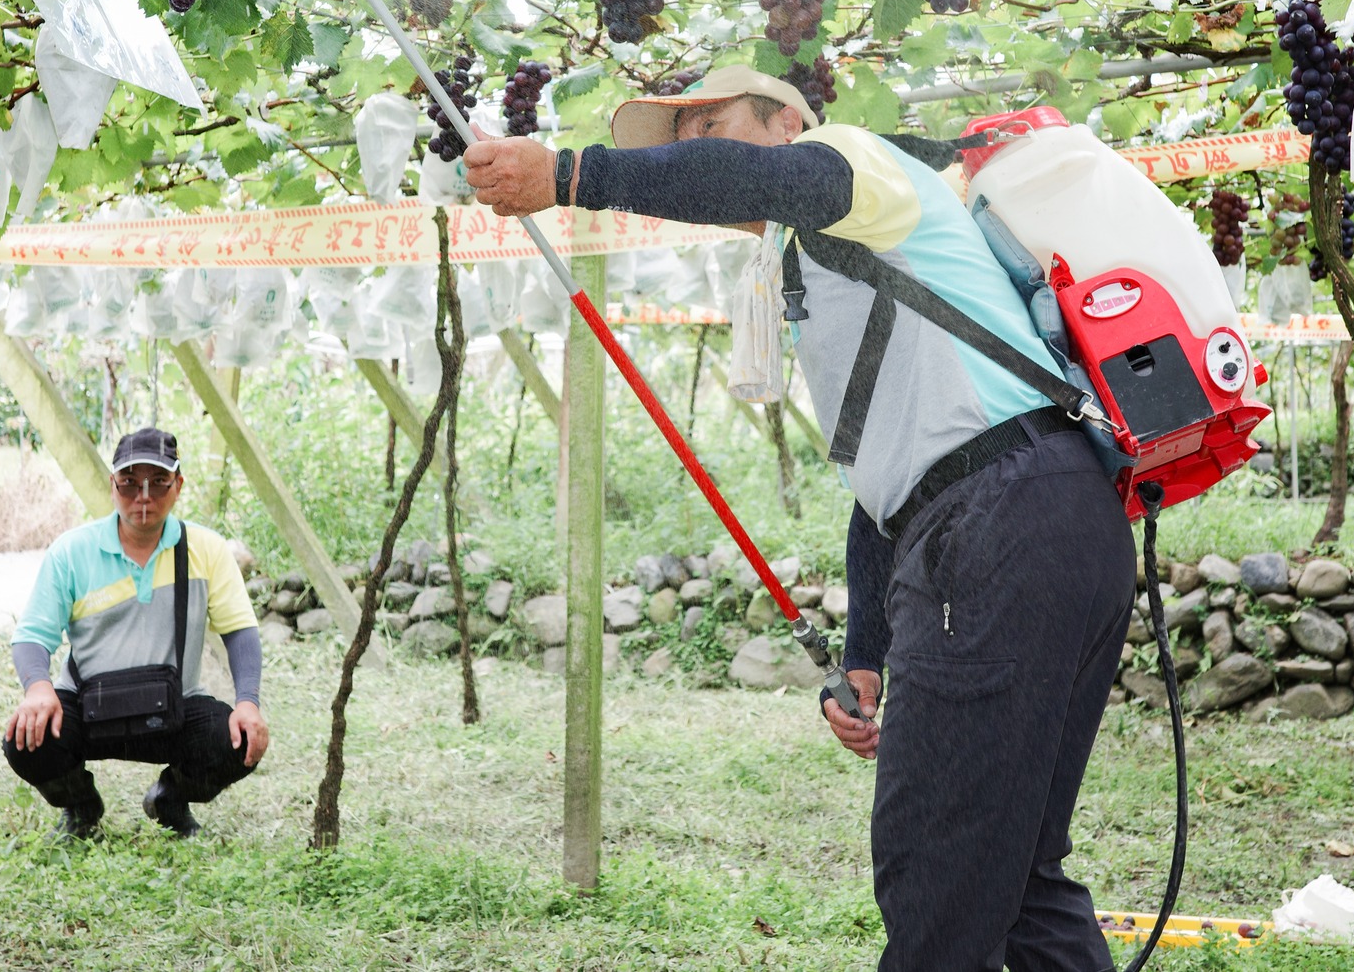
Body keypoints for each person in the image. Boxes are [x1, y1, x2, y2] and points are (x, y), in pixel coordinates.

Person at [464, 66, 1135, 971]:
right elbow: (895, 478)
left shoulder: (848, 160)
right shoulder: (824, 263)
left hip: (1004, 514)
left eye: (713, 125)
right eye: (684, 139)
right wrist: (866, 657)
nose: (700, 149)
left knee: (937, 864)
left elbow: (775, 182)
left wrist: (572, 175)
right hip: (1037, 512)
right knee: (1016, 876)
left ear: (787, 120)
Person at [3, 427, 269, 839]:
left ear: (178, 485)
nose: (143, 496)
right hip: (87, 704)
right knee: (26, 740)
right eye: (129, 483)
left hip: (173, 707)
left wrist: (248, 702)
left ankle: (170, 798)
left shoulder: (208, 549)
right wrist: (38, 688)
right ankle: (80, 805)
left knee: (238, 742)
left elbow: (240, 632)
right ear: (112, 485)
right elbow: (31, 636)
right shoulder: (72, 552)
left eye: (158, 483)